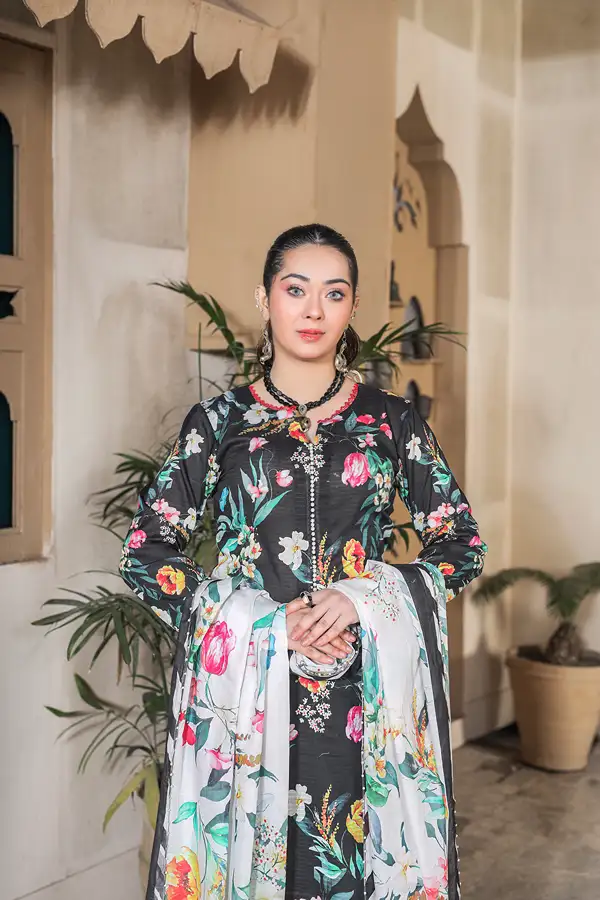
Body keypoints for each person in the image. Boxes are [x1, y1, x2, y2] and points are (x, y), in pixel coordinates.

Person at [120, 224, 487, 900]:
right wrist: (261, 623)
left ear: (352, 307)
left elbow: (460, 542)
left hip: (365, 695)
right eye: (296, 290)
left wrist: (363, 600)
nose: (314, 310)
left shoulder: (391, 422)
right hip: (248, 695)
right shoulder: (220, 423)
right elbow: (146, 551)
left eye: (334, 293)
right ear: (265, 299)